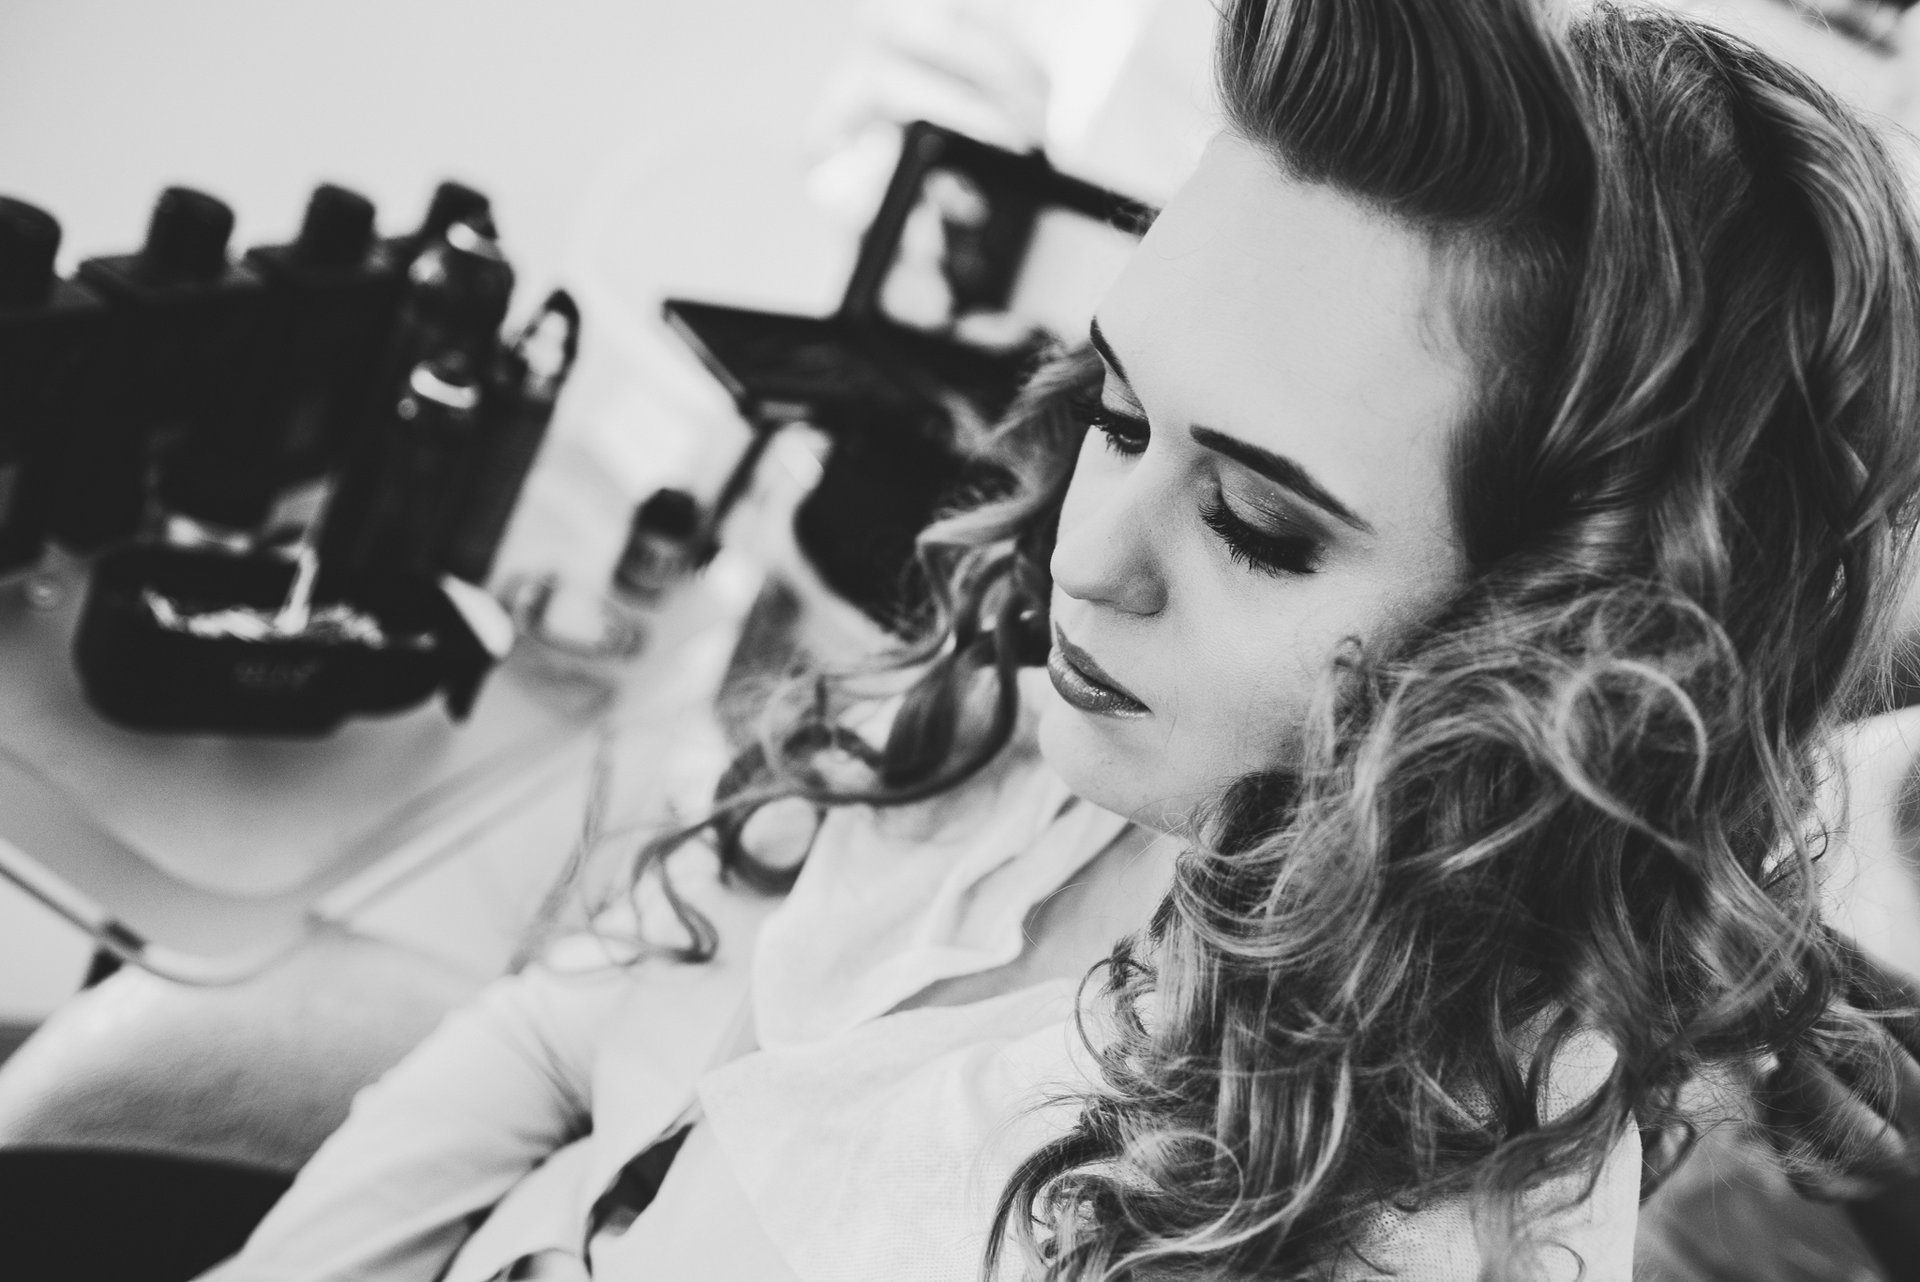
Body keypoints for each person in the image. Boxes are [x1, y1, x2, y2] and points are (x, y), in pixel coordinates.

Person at [203, 0, 1920, 1278]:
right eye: (1116, 412)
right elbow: (577, 1028)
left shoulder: (1333, 1229)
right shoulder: (1078, 742)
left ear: (1547, 660)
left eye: (1256, 524)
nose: (1081, 563)